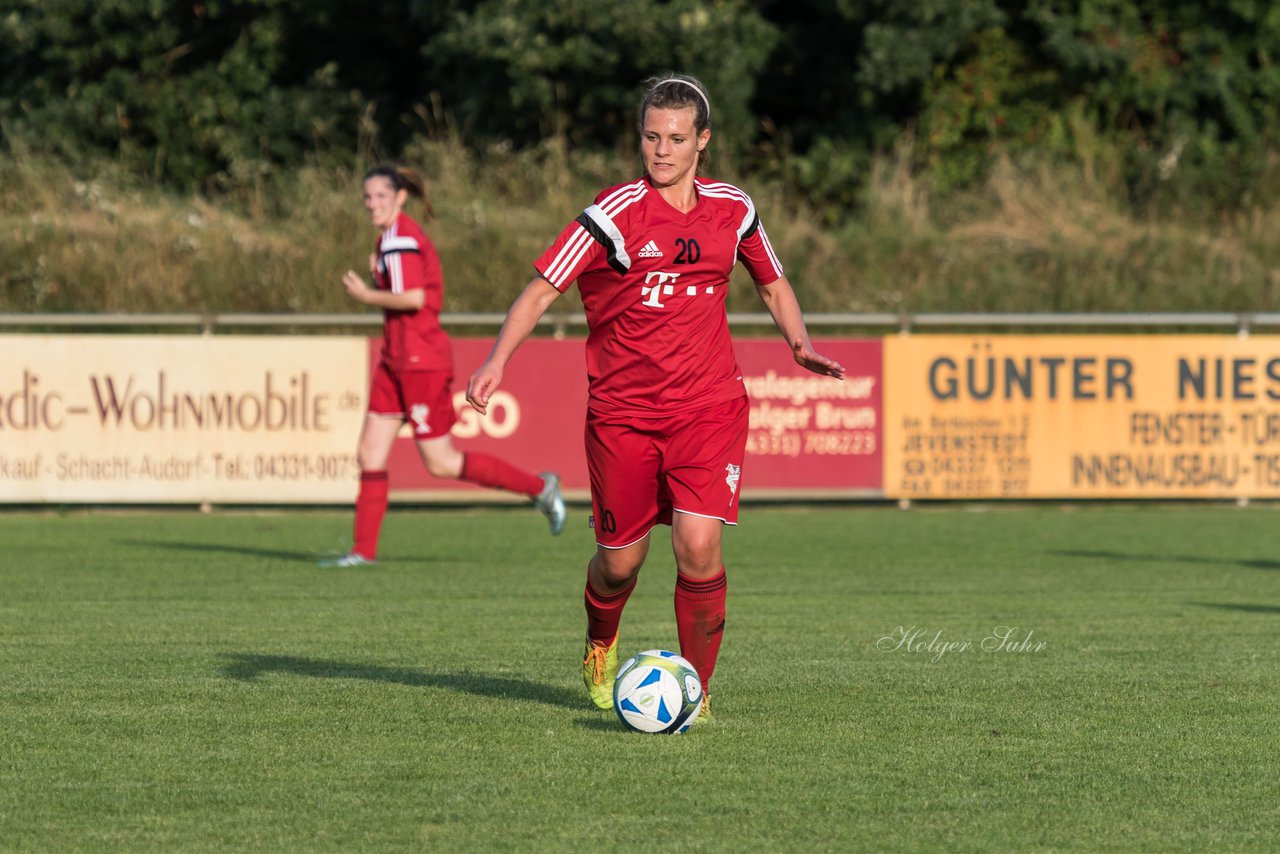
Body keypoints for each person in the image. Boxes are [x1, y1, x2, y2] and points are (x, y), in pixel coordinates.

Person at [466, 75, 845, 716]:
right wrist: (496, 359)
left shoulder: (734, 207)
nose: (661, 150)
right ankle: (598, 642)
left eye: (675, 138)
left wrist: (799, 343)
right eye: (650, 136)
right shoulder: (611, 216)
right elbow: (539, 291)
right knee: (619, 564)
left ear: (703, 141)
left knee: (698, 547)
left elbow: (773, 282)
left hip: (709, 406)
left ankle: (693, 693)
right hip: (624, 415)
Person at [322, 164, 566, 568]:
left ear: (400, 197)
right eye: (367, 198)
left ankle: (541, 487)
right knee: (370, 453)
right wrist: (380, 277)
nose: (372, 204)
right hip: (395, 360)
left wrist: (368, 294)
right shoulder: (389, 240)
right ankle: (362, 553)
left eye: (381, 196)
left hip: (420, 362)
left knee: (441, 463)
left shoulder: (400, 238)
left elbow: (415, 297)